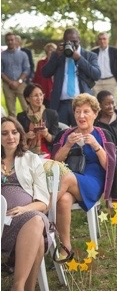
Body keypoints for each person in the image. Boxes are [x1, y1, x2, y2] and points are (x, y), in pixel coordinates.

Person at [51, 94, 117, 262]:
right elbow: (55, 163)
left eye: (86, 111)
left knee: (65, 178)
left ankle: (43, 210)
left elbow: (109, 167)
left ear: (95, 114)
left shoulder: (103, 135)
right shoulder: (66, 135)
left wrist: (95, 145)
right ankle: (66, 248)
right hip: (71, 179)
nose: (81, 116)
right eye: (78, 111)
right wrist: (67, 145)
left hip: (93, 180)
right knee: (64, 199)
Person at [1, 116, 52, 291]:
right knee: (36, 235)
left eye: (14, 132)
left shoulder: (31, 159)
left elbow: (44, 201)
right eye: (4, 133)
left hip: (27, 215)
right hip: (2, 222)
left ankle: (18, 286)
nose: (10, 137)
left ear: (20, 134)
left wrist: (24, 209)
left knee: (36, 220)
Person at [41, 29, 100, 127]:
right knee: (61, 134)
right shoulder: (58, 55)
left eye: (74, 42)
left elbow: (96, 74)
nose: (72, 44)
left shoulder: (89, 55)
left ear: (79, 40)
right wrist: (56, 56)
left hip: (82, 104)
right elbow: (45, 73)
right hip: (61, 104)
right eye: (68, 42)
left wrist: (79, 59)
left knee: (83, 134)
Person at [16, 82, 59, 156]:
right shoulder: (21, 117)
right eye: (36, 95)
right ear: (28, 99)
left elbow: (57, 140)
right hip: (27, 150)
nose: (39, 98)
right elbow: (16, 138)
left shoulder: (52, 114)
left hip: (46, 150)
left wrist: (46, 134)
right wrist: (26, 136)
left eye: (41, 94)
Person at [2, 32, 32, 115]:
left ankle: (29, 126)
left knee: (26, 108)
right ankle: (13, 127)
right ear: (6, 41)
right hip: (7, 85)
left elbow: (26, 69)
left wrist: (18, 81)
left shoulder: (23, 55)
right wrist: (10, 82)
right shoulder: (2, 55)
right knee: (11, 110)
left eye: (12, 40)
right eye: (8, 40)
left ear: (15, 41)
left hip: (21, 84)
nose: (10, 42)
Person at [91, 31, 117, 104]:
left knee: (112, 104)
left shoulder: (115, 51)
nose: (102, 41)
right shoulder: (93, 52)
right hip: (97, 82)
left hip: (111, 81)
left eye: (104, 39)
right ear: (98, 40)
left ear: (108, 40)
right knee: (96, 104)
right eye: (100, 39)